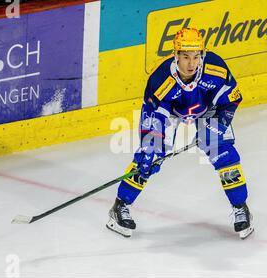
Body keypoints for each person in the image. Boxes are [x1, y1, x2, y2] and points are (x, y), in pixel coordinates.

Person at [106, 28, 254, 239]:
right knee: (150, 157)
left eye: (196, 56)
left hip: (208, 110)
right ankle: (120, 206)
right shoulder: (160, 80)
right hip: (170, 114)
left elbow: (231, 100)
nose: (191, 63)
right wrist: (151, 147)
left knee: (222, 151)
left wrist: (218, 125)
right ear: (176, 55)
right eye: (185, 57)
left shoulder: (216, 69)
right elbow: (155, 119)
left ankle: (240, 207)